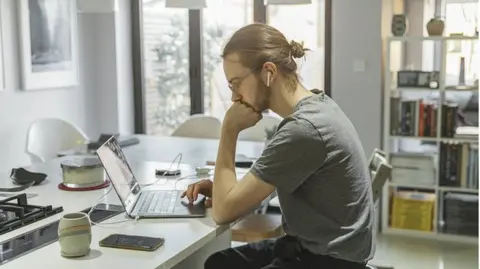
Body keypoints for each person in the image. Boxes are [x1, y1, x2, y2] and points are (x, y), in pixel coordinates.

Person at [182, 23, 375, 269]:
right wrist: (223, 191)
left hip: (327, 261)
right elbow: (263, 186)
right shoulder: (319, 105)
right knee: (219, 263)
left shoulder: (303, 129)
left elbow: (223, 213)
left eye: (236, 84)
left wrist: (229, 131)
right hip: (317, 249)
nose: (234, 97)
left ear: (268, 72)